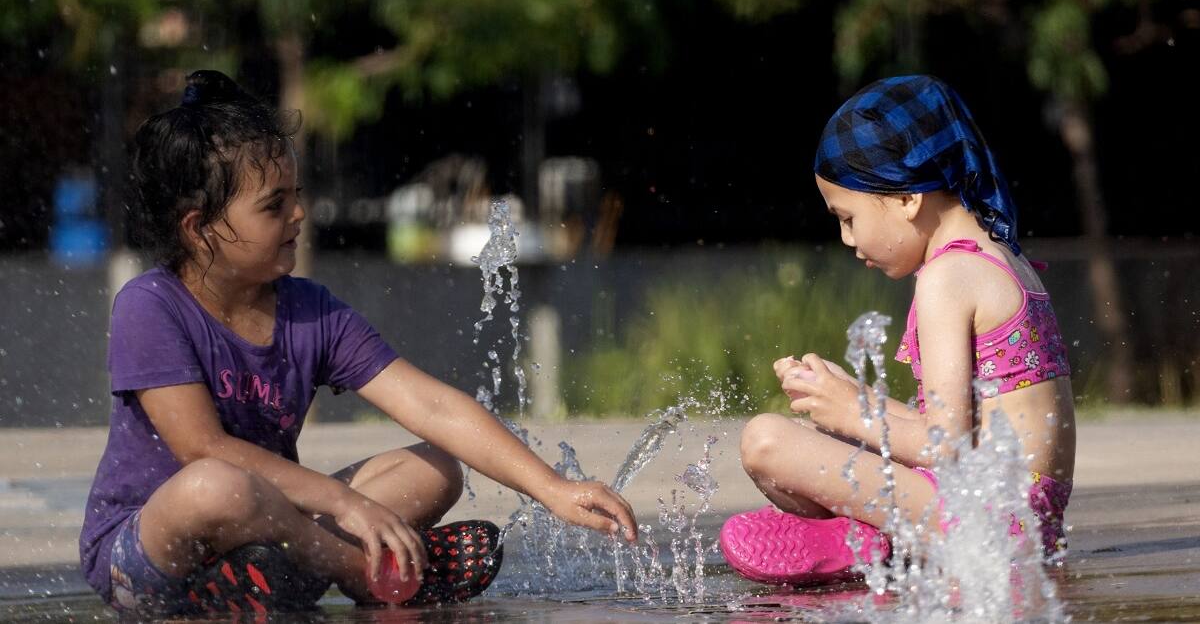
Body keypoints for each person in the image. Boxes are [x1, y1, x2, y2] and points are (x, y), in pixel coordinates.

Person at [79, 70, 637, 616]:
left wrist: (551, 487)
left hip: (274, 536)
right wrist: (348, 503)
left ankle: (279, 579)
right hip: (150, 556)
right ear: (198, 228)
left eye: (296, 195)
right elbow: (203, 449)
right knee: (216, 487)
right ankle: (364, 571)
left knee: (439, 468)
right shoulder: (149, 305)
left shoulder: (308, 310)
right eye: (274, 205)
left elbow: (431, 405)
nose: (298, 213)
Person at [720, 75, 1076, 585]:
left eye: (848, 217)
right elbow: (966, 431)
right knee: (806, 439)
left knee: (765, 442)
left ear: (907, 198)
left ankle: (871, 539)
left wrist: (852, 414)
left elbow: (946, 446)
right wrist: (850, 399)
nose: (846, 238)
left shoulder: (946, 277)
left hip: (988, 524)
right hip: (1021, 518)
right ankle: (873, 535)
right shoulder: (1002, 260)